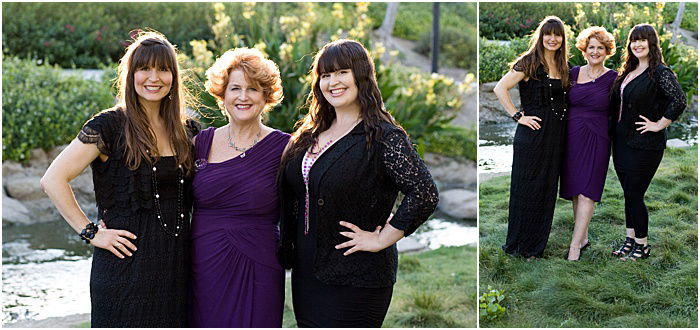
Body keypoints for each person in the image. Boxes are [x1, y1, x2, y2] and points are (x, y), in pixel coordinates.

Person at [40, 31, 199, 327]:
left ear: (174, 77)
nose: (154, 77)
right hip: (123, 270)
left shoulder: (188, 130)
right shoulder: (109, 126)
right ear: (131, 74)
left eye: (163, 69)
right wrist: (90, 232)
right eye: (145, 68)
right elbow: (53, 179)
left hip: (176, 269)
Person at [277, 39, 439, 327]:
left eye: (342, 72)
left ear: (361, 75)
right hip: (308, 272)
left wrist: (381, 238)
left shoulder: (383, 136)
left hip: (358, 276)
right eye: (325, 75)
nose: (332, 82)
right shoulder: (310, 132)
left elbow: (424, 193)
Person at [188, 48, 289, 327]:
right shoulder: (200, 143)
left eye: (253, 89)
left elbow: (313, 197)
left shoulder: (284, 147)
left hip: (260, 264)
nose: (243, 97)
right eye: (235, 88)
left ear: (266, 96)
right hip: (205, 262)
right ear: (222, 94)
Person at [494, 16, 570, 260]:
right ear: (541, 36)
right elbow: (500, 88)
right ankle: (520, 244)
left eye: (557, 34)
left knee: (547, 189)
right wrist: (518, 116)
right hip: (532, 135)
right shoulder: (528, 62)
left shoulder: (563, 65)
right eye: (548, 34)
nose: (552, 39)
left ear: (562, 39)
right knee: (527, 188)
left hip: (556, 136)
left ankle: (536, 247)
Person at [609, 24, 686, 261]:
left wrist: (659, 124)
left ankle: (642, 246)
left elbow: (679, 100)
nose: (637, 44)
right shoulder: (628, 70)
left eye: (643, 40)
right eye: (634, 40)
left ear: (652, 44)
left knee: (635, 193)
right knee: (629, 193)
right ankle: (630, 240)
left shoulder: (659, 72)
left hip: (645, 143)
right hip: (621, 141)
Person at [559, 27, 618, 261]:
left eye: (600, 48)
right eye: (591, 47)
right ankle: (582, 237)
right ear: (584, 50)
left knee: (587, 192)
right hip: (572, 137)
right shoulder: (572, 74)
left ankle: (574, 246)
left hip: (598, 137)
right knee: (575, 190)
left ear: (607, 51)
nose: (595, 52)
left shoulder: (614, 78)